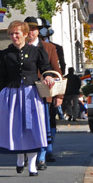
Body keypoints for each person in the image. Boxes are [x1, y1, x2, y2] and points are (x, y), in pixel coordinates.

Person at [0, 20, 54, 175]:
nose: (14, 37)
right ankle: (20, 157)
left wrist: (48, 77)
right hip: (12, 94)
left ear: (26, 34)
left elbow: (46, 68)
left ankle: (33, 164)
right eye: (11, 34)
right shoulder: (4, 55)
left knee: (33, 127)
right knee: (16, 127)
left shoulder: (36, 51)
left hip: (31, 94)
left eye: (17, 33)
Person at [25, 17, 61, 170]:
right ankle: (28, 154)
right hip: (26, 93)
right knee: (28, 126)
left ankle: (43, 155)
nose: (30, 33)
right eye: (28, 30)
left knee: (45, 124)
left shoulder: (48, 47)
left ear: (38, 31)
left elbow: (56, 70)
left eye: (33, 30)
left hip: (44, 92)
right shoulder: (20, 47)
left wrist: (59, 95)